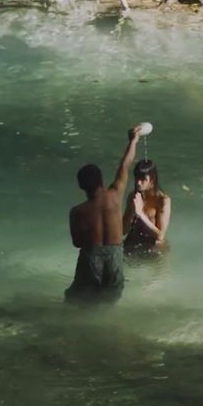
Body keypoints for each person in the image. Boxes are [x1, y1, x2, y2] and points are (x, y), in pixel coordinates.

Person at [65, 125, 142, 302]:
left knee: (78, 299)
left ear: (81, 186)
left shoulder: (77, 212)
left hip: (91, 256)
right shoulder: (115, 195)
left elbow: (77, 243)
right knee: (109, 299)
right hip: (115, 254)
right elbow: (125, 165)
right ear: (101, 180)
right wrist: (133, 141)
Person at [123, 157, 172, 257]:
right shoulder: (133, 197)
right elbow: (123, 230)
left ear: (152, 181)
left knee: (160, 246)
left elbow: (160, 236)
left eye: (143, 179)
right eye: (137, 178)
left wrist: (140, 214)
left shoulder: (163, 201)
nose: (138, 183)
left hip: (153, 246)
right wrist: (132, 211)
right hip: (133, 242)